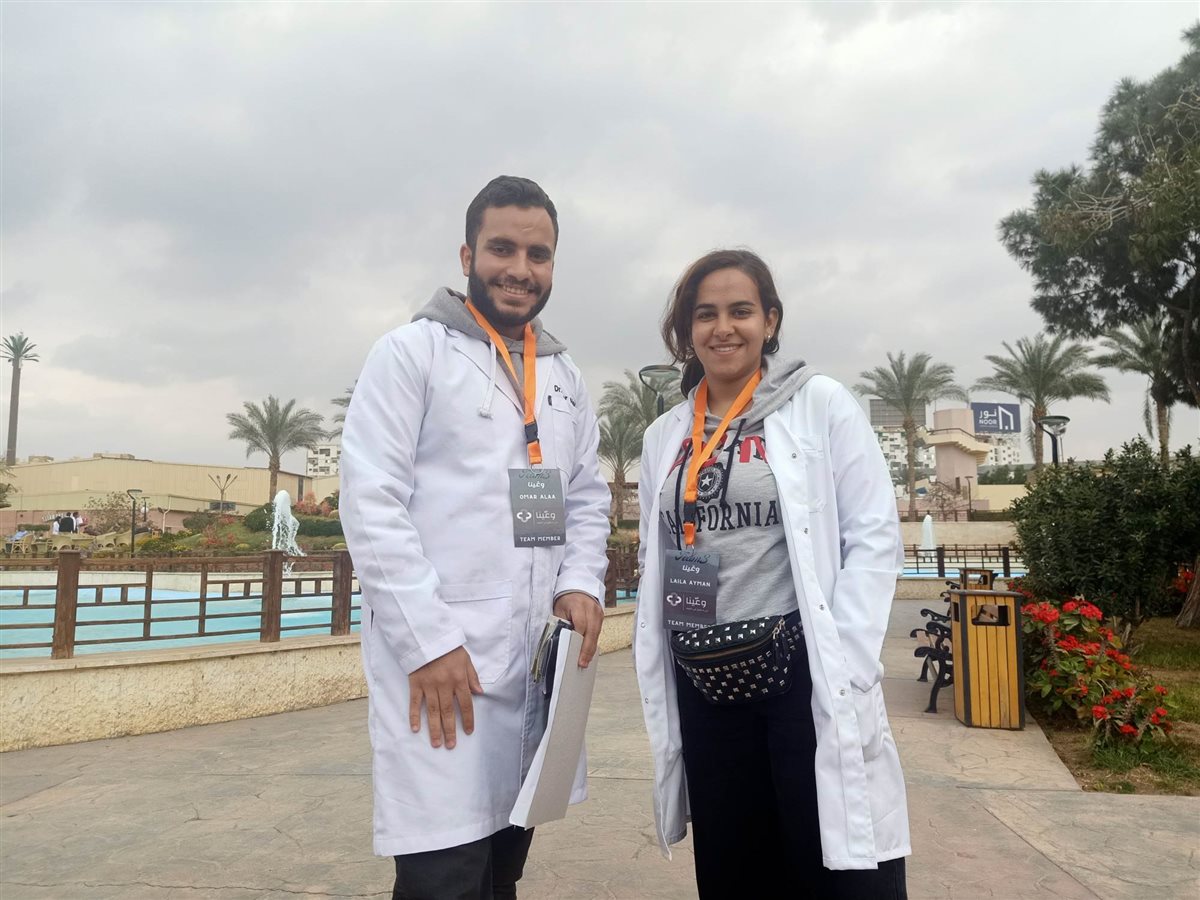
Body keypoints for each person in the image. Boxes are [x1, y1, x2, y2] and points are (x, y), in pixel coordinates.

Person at [340, 175, 610, 900]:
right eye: (502, 249)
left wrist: (579, 582)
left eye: (538, 254)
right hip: (444, 668)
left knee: (501, 867)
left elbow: (587, 495)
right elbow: (372, 503)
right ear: (467, 255)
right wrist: (427, 643)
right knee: (445, 875)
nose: (520, 269)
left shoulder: (562, 373)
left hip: (532, 667)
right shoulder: (411, 354)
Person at [633, 249, 910, 898]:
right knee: (735, 866)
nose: (723, 328)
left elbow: (874, 534)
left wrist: (847, 661)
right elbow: (661, 551)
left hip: (802, 677)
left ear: (771, 321)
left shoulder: (820, 404)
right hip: (706, 679)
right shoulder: (664, 436)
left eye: (741, 311)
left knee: (831, 867)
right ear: (687, 330)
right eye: (706, 314)